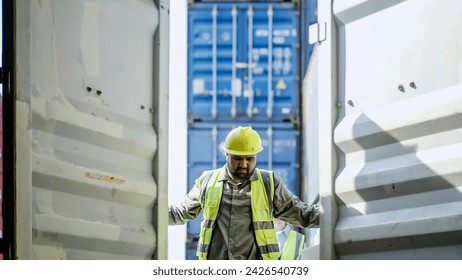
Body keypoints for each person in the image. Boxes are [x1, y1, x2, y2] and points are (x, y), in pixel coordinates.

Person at [169, 126, 320, 260]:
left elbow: (303, 215)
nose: (243, 164)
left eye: (249, 159)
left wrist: (335, 215)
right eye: (237, 158)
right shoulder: (207, 181)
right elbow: (179, 213)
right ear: (227, 154)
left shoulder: (269, 183)